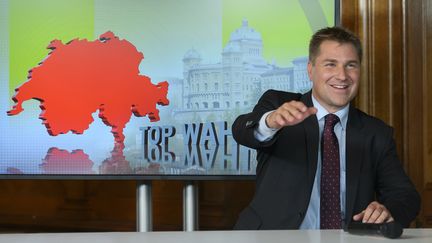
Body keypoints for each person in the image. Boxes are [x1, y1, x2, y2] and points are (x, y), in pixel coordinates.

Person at [232, 26, 420, 230]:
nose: (342, 76)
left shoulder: (376, 133)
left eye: (351, 65)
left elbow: (405, 196)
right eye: (331, 64)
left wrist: (387, 210)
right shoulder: (278, 104)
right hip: (273, 237)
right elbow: (242, 130)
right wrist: (270, 122)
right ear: (310, 70)